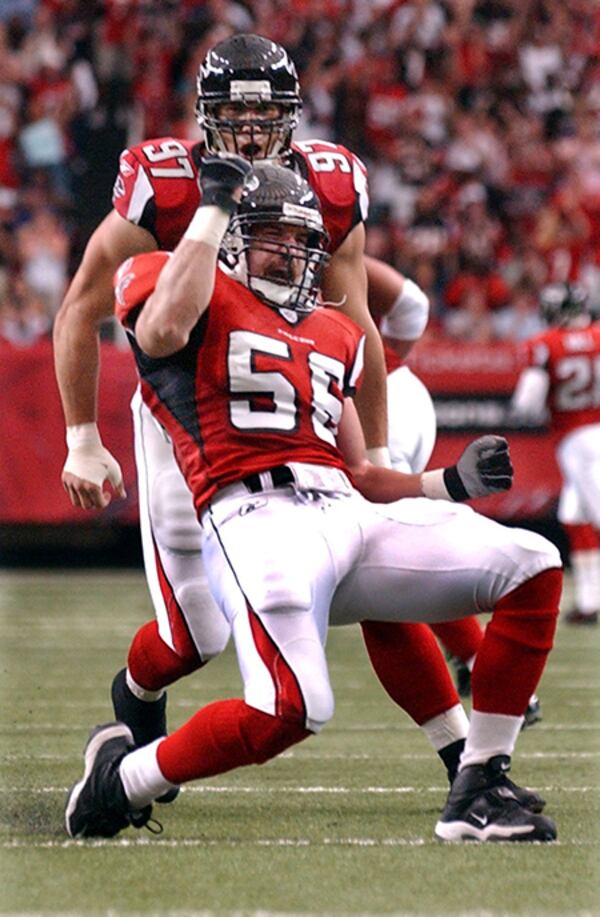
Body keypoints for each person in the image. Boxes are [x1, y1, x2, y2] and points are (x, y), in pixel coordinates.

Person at [64, 160, 562, 844]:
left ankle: (478, 783)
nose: (290, 251)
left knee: (533, 561)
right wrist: (210, 209)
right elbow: (159, 334)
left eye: (301, 239)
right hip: (252, 514)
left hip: (342, 510)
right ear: (233, 237)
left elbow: (356, 470)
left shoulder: (335, 331)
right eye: (271, 234)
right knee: (294, 708)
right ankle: (122, 781)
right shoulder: (177, 281)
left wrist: (448, 483)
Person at [54, 33, 484, 789]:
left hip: (296, 399)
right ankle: (139, 694)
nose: (250, 130)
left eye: (265, 113)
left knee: (377, 564)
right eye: (233, 112)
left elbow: (357, 325)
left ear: (292, 114)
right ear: (204, 114)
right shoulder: (164, 182)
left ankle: (467, 758)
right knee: (196, 632)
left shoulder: (328, 180)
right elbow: (82, 303)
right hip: (185, 410)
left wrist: (377, 457)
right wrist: (81, 437)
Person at [366, 256, 543, 725]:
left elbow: (410, 307)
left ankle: (474, 734)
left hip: (374, 397)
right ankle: (480, 669)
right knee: (388, 565)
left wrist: (340, 244)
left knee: (381, 568)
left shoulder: (313, 272)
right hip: (387, 392)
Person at [512, 281, 600, 625]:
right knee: (575, 517)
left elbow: (527, 402)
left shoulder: (546, 345)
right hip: (592, 432)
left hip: (578, 438)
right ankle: (591, 601)